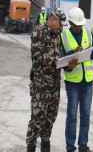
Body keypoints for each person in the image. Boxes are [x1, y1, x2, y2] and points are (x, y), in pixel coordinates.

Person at [26, 9, 67, 152]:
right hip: (40, 84)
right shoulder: (39, 32)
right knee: (37, 119)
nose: (62, 28)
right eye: (61, 24)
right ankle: (31, 146)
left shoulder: (58, 36)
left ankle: (45, 146)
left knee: (50, 119)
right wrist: (60, 61)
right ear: (54, 20)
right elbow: (40, 57)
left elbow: (62, 56)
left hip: (55, 84)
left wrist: (69, 61)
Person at [62, 7, 93, 152]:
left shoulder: (89, 34)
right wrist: (73, 53)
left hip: (87, 81)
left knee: (86, 115)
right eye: (76, 25)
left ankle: (83, 145)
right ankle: (70, 147)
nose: (79, 27)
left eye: (81, 25)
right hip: (72, 82)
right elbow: (62, 59)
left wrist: (90, 51)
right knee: (71, 116)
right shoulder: (64, 37)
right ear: (70, 23)